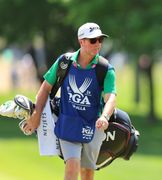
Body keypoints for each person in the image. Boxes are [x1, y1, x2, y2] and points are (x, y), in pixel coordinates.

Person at [23, 22, 116, 180]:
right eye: (93, 40)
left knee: (87, 173)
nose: (98, 44)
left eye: (100, 40)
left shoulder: (105, 69)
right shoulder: (64, 62)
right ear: (81, 41)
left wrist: (105, 116)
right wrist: (36, 116)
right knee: (72, 167)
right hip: (68, 123)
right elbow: (45, 88)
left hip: (93, 127)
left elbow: (111, 97)